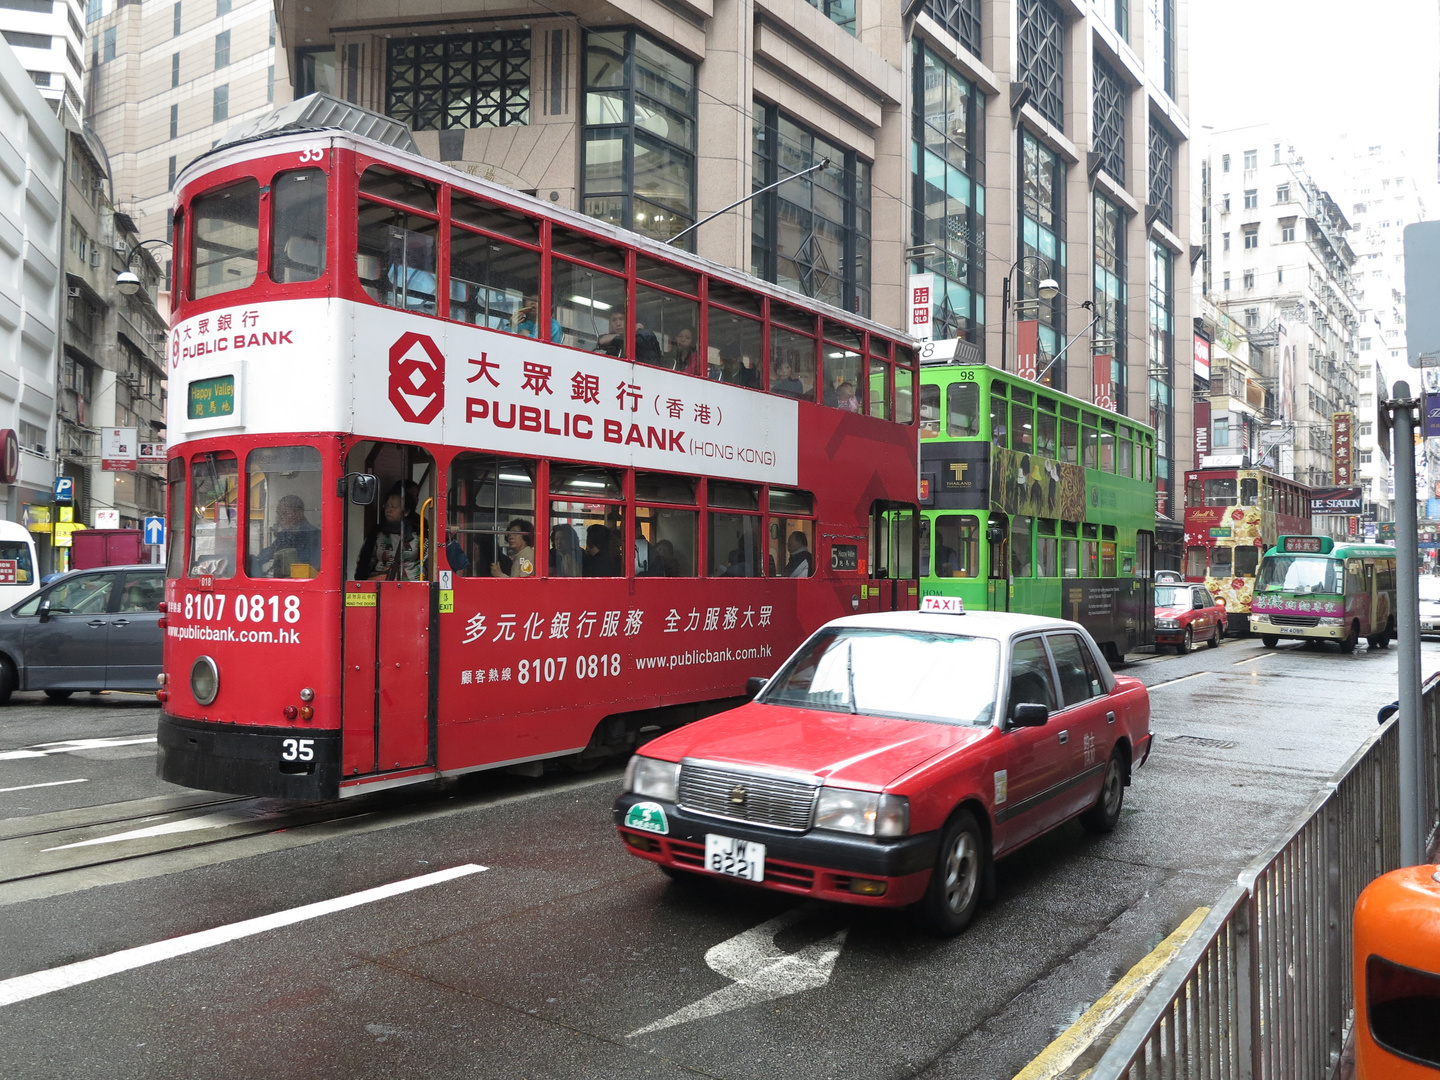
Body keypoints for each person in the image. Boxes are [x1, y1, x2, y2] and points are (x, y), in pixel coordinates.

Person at [355, 492, 422, 581]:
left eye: (393, 507)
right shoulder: (377, 533)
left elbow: (427, 561)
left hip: (410, 586)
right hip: (381, 585)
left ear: (406, 512)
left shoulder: (418, 533)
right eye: (387, 506)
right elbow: (364, 561)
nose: (389, 510)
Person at [253, 494, 321, 577]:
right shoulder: (285, 536)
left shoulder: (315, 536)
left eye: (284, 513)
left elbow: (314, 567)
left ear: (299, 514)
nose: (280, 518)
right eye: (279, 514)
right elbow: (266, 554)